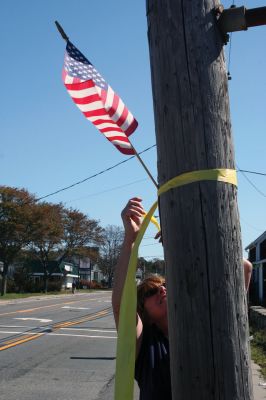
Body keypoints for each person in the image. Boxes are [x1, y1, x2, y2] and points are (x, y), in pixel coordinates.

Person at [112, 197, 252, 400]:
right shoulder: (147, 346)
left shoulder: (206, 324)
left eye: (165, 286)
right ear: (145, 315)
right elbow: (121, 305)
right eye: (151, 293)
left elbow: (244, 267)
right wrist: (131, 239)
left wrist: (189, 243)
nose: (161, 291)